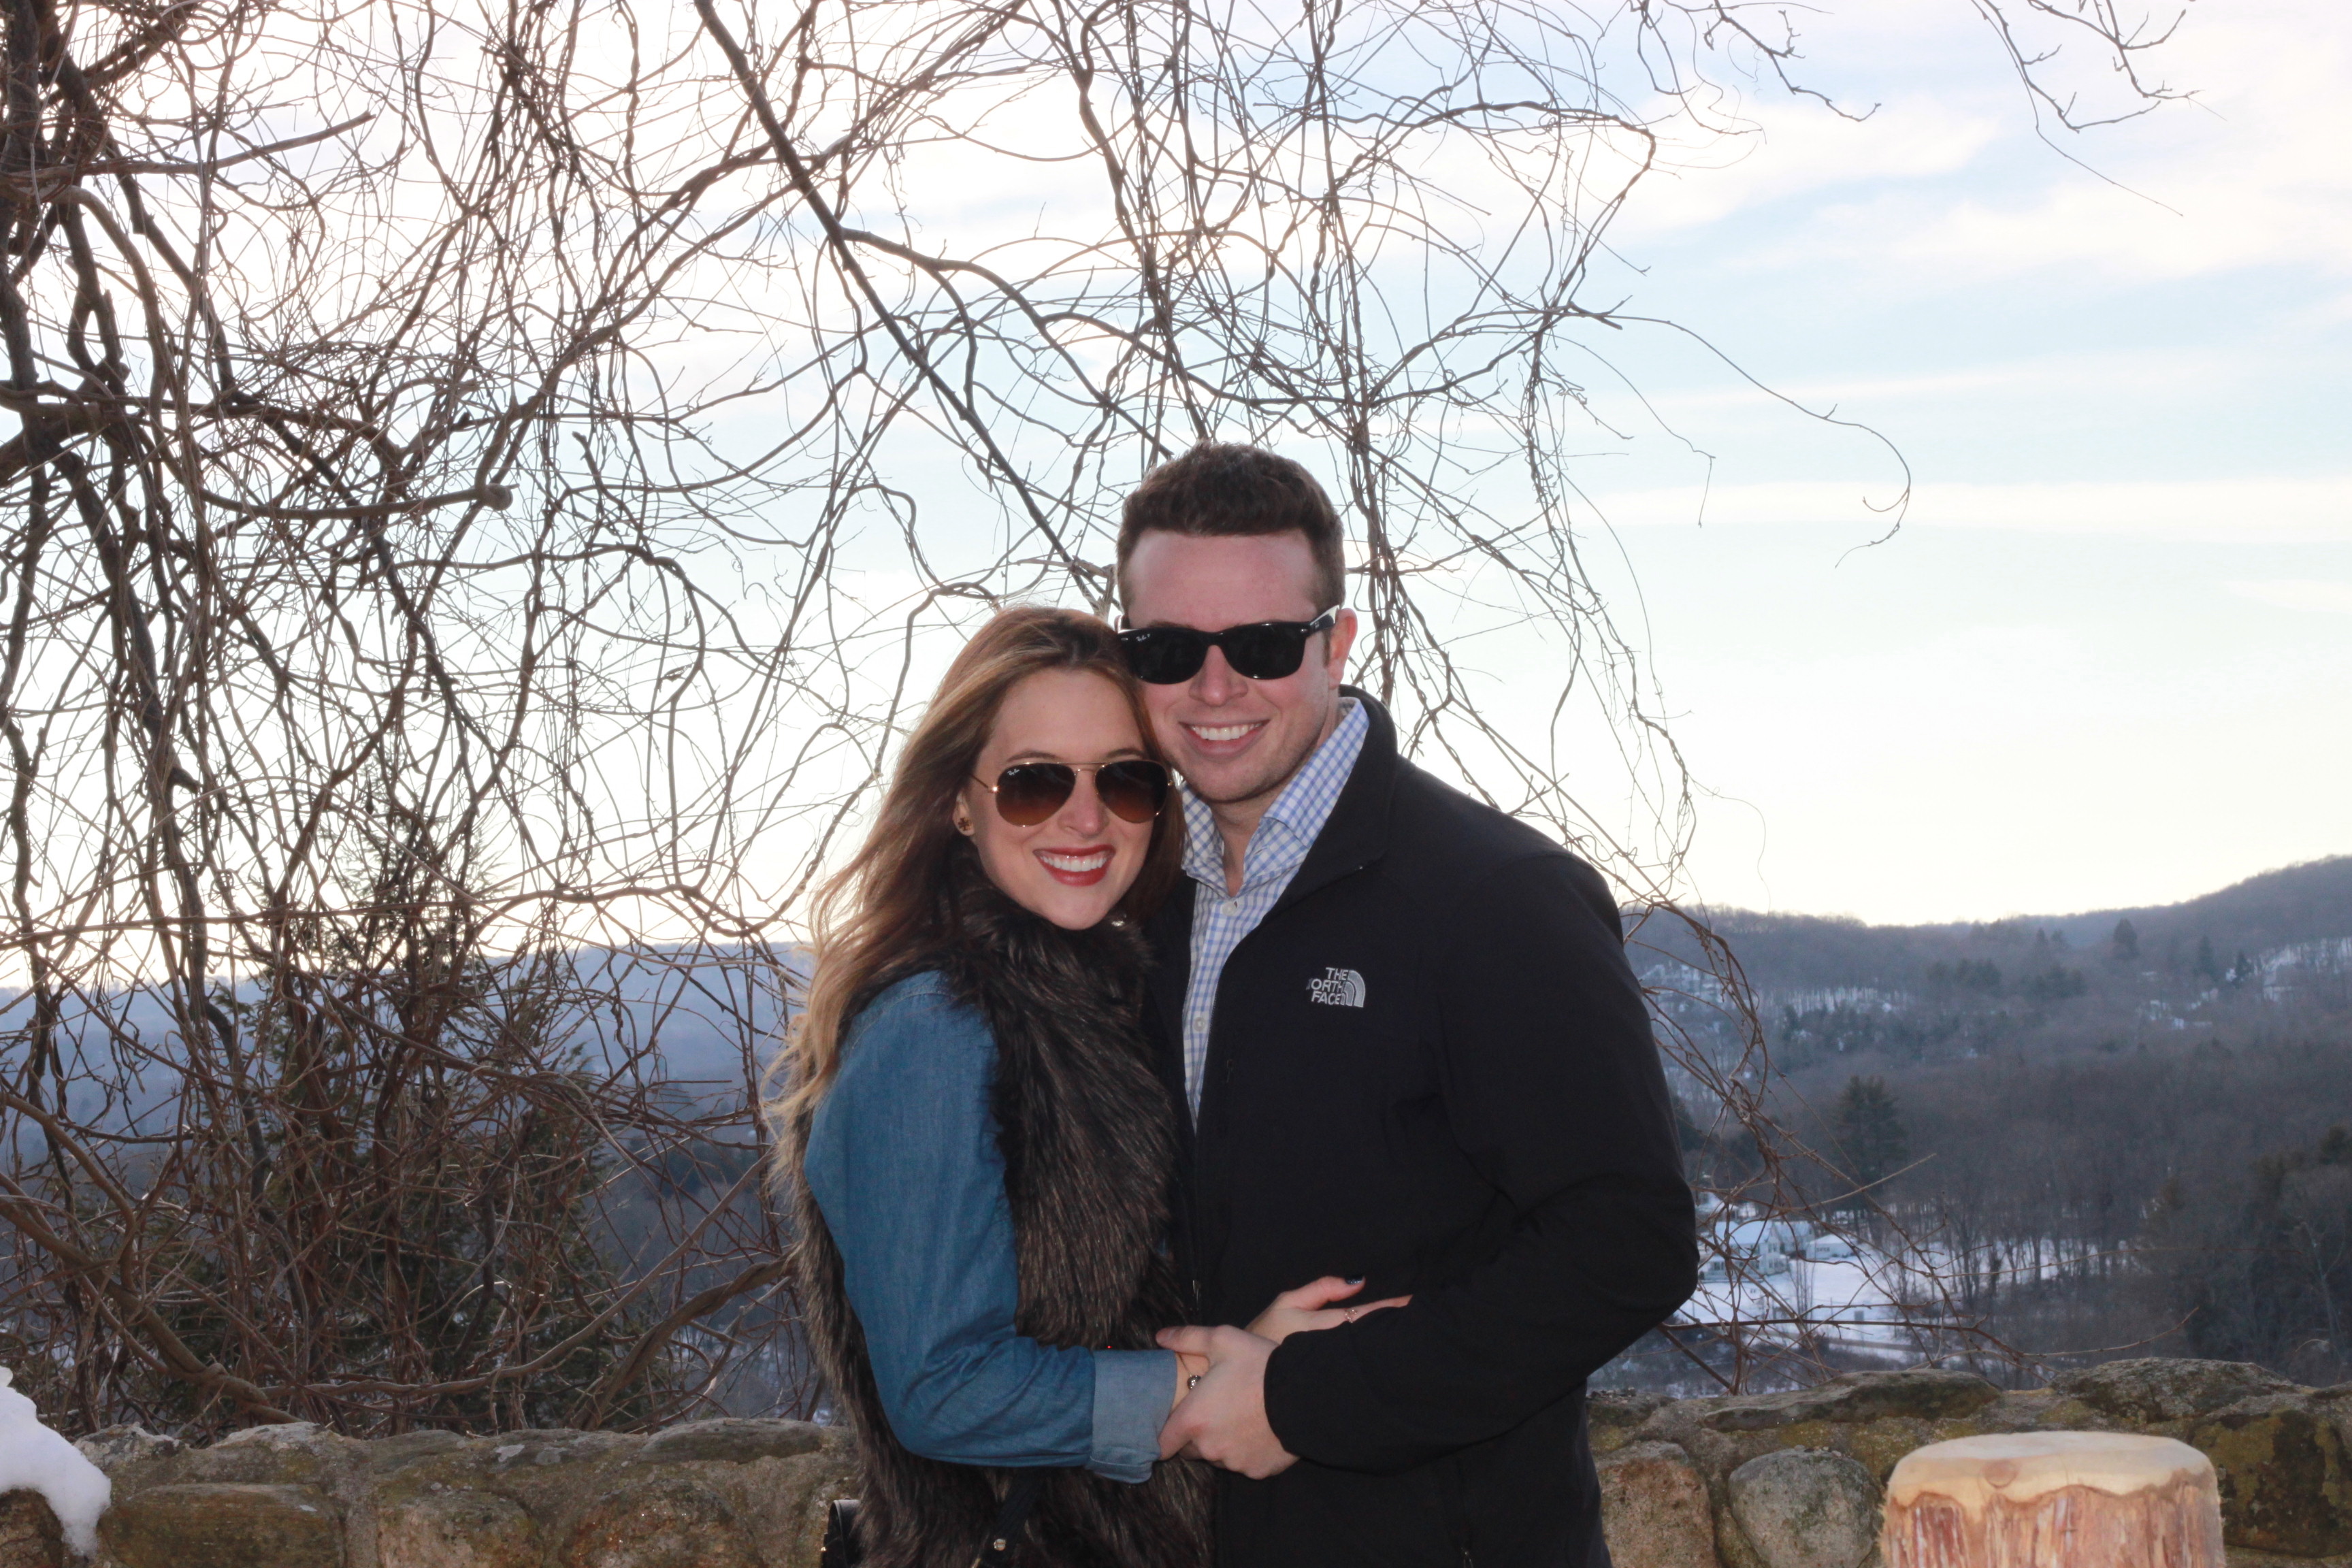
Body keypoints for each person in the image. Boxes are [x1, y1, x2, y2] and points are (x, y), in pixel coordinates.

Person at [1122, 444, 1700, 1567]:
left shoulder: (1494, 900)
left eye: (1262, 644)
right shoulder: (1136, 904)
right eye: (1169, 649)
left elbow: (1627, 1240)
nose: (1215, 686)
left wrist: (1305, 1400)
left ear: (1337, 642)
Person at [779, 607, 1213, 1568]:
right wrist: (1205, 1387)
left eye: (1125, 779)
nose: (1086, 817)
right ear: (959, 804)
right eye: (1034, 783)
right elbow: (944, 1390)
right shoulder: (936, 1024)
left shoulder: (1104, 998)